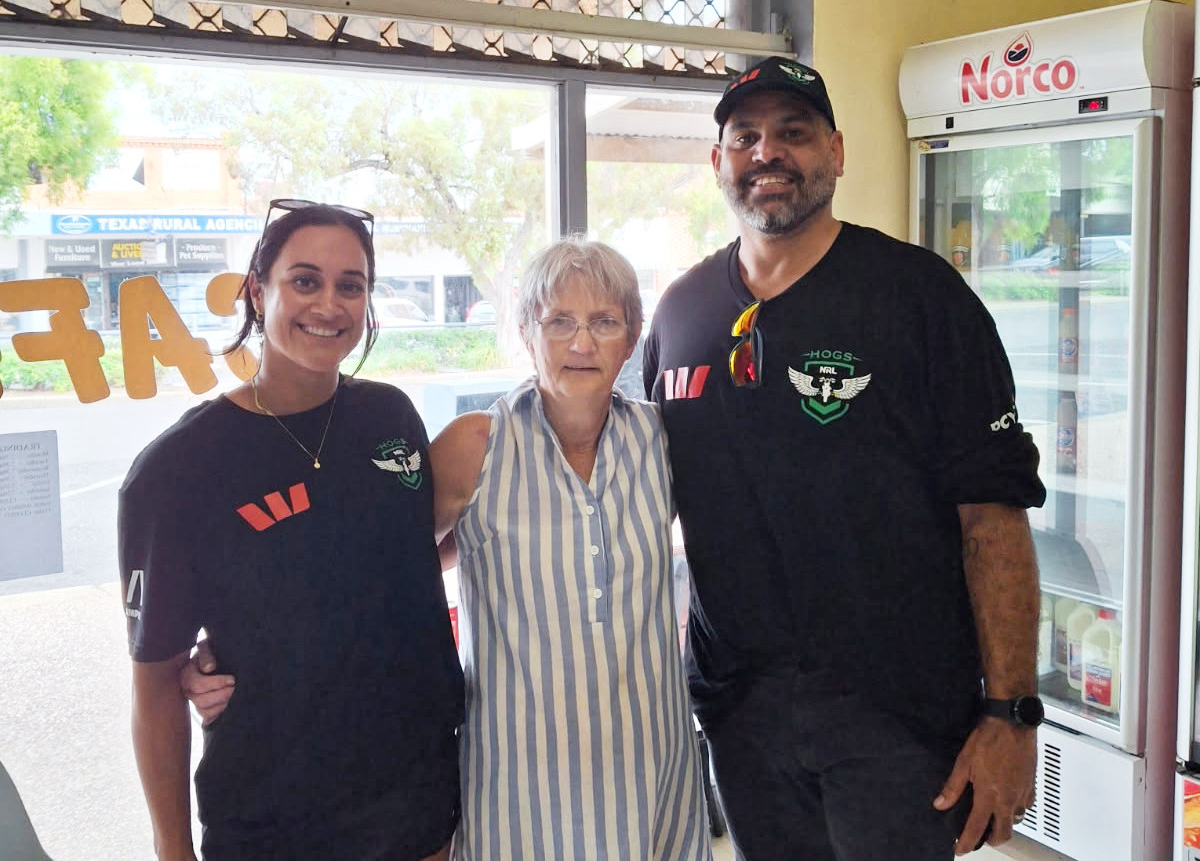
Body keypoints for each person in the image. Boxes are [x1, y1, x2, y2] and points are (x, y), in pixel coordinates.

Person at [185, 239, 711, 860]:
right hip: (521, 775)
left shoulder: (663, 442)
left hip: (652, 756)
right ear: (526, 333)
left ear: (632, 337)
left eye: (604, 322)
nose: (581, 343)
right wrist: (240, 649)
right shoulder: (477, 445)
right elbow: (379, 572)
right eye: (559, 322)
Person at [641, 57, 1047, 861]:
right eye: (745, 137)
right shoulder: (681, 313)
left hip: (895, 718)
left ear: (835, 151)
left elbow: (992, 520)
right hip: (742, 713)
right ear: (717, 160)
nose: (768, 152)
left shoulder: (920, 297)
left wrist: (1010, 715)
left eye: (793, 132)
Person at [118, 200, 464, 861]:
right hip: (271, 818)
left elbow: (402, 551)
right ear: (258, 290)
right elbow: (155, 682)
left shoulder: (390, 417)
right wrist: (173, 849)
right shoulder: (177, 471)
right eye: (305, 280)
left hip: (417, 800)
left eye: (350, 285)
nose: (328, 305)